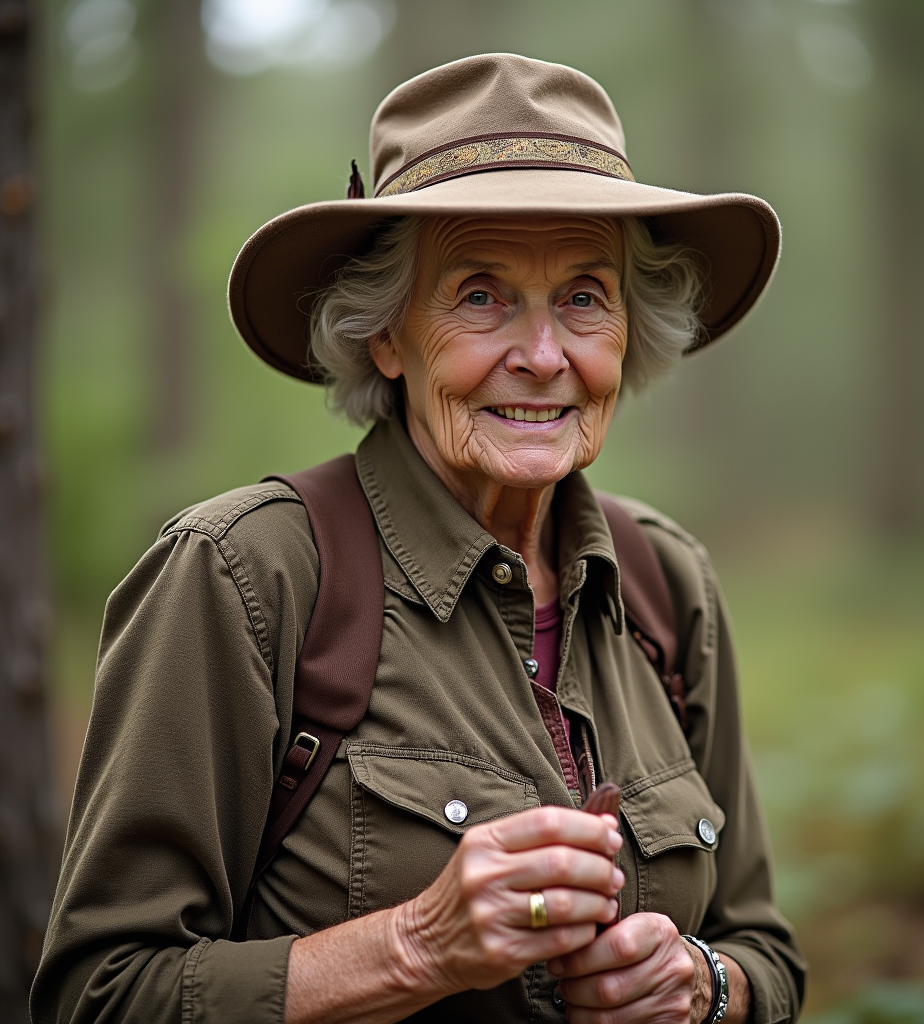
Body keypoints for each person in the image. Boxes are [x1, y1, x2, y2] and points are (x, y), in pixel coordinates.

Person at [33, 54, 805, 1024]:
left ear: (627, 333)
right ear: (385, 336)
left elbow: (764, 950)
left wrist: (703, 982)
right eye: (479, 295)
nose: (540, 354)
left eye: (583, 296)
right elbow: (97, 995)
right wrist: (415, 946)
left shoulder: (664, 580)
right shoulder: (244, 573)